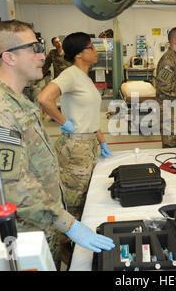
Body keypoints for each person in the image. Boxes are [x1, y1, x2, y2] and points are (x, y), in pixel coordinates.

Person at [0, 20, 114, 268]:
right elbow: (14, 190)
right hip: (24, 237)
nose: (42, 54)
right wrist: (71, 225)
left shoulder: (16, 101)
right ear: (9, 58)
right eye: (34, 48)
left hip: (42, 228)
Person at [38, 32, 113, 221]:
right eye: (91, 47)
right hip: (75, 147)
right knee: (74, 203)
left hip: (88, 145)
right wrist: (64, 122)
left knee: (85, 198)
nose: (96, 51)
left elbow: (90, 116)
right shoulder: (70, 74)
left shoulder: (85, 78)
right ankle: (66, 247)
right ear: (79, 54)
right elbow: (45, 99)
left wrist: (102, 142)